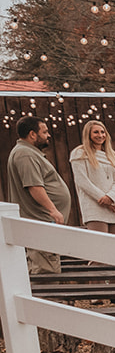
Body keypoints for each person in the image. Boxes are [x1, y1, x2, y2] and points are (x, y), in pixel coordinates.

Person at [4, 117, 71, 273]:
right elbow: (34, 186)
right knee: (46, 269)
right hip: (40, 221)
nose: (48, 135)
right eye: (45, 132)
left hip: (43, 222)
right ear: (32, 134)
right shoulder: (25, 154)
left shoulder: (28, 153)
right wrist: (53, 210)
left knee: (47, 264)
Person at [70, 120, 115, 235]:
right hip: (95, 206)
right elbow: (82, 181)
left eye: (102, 132)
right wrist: (104, 199)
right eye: (96, 132)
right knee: (100, 243)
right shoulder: (79, 153)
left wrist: (111, 198)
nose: (100, 135)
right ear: (88, 134)